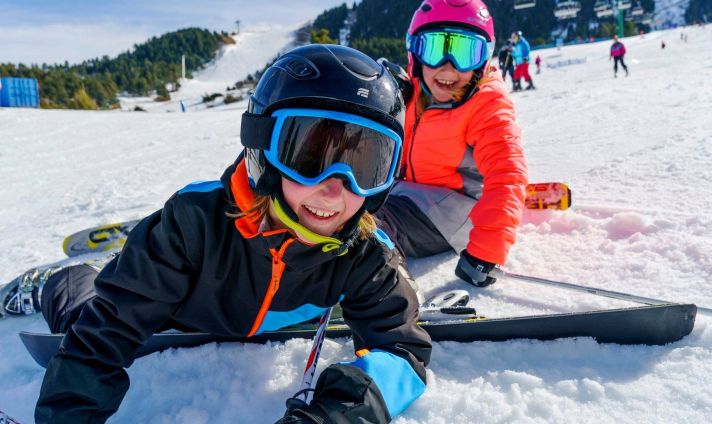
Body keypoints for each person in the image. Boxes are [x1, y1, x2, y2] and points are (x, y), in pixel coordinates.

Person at [34, 44, 432, 424]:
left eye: (365, 167)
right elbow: (107, 331)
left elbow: (401, 353)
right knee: (81, 312)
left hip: (264, 315)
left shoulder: (366, 253)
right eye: (310, 158)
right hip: (177, 311)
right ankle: (61, 280)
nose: (335, 189)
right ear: (263, 149)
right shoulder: (194, 222)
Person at [376, 0, 528, 288]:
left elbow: (507, 172)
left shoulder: (487, 104)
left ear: (484, 58)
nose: (448, 68)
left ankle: (373, 288)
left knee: (369, 226)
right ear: (415, 54)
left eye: (464, 52)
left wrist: (487, 249)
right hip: (407, 193)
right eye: (434, 49)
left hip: (453, 212)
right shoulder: (413, 91)